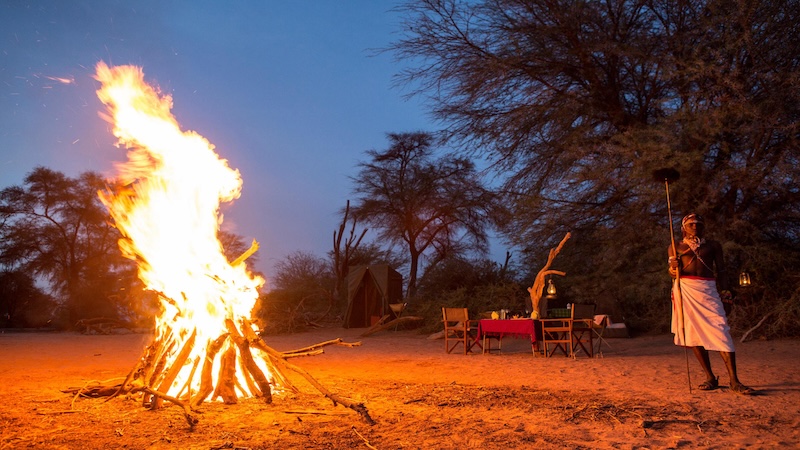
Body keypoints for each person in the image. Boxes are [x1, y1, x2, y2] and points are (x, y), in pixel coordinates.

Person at [668, 213, 754, 394]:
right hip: (686, 291)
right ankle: (710, 377)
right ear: (684, 227)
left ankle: (734, 381)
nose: (695, 226)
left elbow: (721, 270)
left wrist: (726, 293)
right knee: (692, 335)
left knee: (721, 330)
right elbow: (672, 273)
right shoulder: (675, 246)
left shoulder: (713, 246)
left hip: (708, 290)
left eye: (699, 224)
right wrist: (672, 266)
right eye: (691, 224)